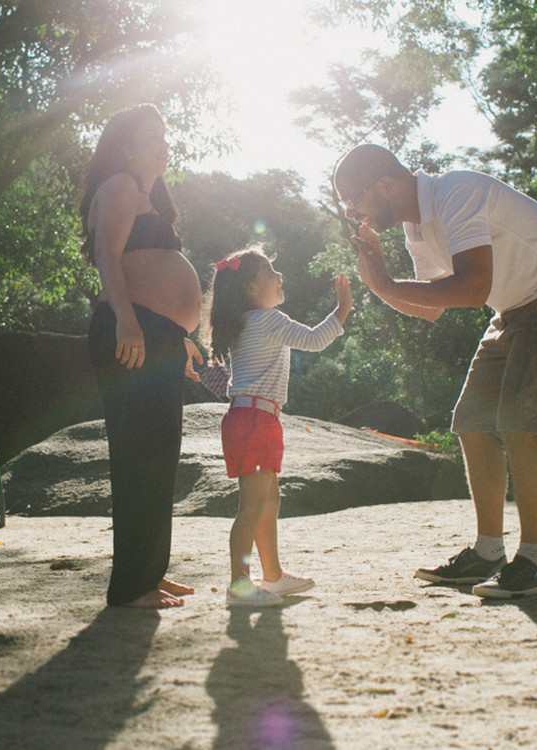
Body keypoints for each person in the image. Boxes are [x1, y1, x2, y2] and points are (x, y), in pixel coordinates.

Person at [333, 143, 537, 599]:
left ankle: (534, 562)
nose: (352, 211)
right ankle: (488, 551)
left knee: (521, 427)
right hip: (514, 309)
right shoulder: (415, 231)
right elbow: (432, 310)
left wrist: (388, 283)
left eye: (353, 199)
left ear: (385, 185)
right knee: (473, 425)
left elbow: (473, 289)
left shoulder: (457, 192)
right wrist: (379, 282)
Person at [79, 103, 204, 609]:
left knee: (159, 457)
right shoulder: (122, 186)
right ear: (127, 145)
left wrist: (179, 334)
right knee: (138, 457)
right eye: (152, 134)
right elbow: (108, 256)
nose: (164, 142)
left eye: (165, 132)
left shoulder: (149, 198)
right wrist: (129, 321)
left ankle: (149, 572)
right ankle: (131, 586)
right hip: (131, 330)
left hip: (158, 336)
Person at [202, 247, 353, 607]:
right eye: (272, 271)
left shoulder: (246, 323)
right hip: (255, 420)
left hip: (255, 418)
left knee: (268, 500)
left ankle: (272, 577)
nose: (280, 276)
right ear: (250, 288)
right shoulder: (268, 320)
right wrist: (342, 308)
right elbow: (315, 340)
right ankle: (239, 586)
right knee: (253, 506)